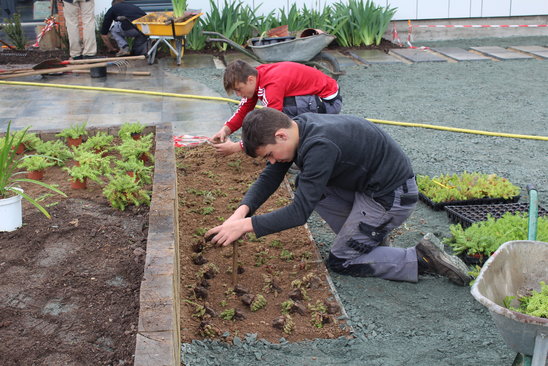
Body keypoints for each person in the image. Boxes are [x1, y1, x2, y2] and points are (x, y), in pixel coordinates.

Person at [206, 108, 471, 286]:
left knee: (342, 261)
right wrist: (240, 212)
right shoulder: (300, 127)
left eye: (270, 154)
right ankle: (371, 241)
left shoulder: (319, 146)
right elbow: (270, 177)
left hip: (391, 198)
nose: (272, 161)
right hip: (370, 188)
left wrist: (245, 226)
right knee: (307, 185)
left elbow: (299, 214)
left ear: (280, 135)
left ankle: (420, 259)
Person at [209, 59, 343, 156]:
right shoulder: (258, 76)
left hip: (327, 102)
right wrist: (225, 130)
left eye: (239, 90)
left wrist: (236, 147)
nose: (238, 95)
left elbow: (270, 123)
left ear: (250, 79)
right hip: (316, 96)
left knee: (278, 116)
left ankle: (301, 150)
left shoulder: (271, 85)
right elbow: (244, 108)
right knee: (269, 113)